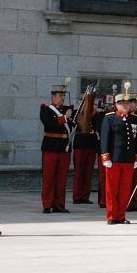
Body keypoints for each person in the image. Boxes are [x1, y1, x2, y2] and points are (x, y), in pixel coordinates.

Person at [100, 83, 137, 224]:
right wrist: (105, 156)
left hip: (128, 159)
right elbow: (105, 138)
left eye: (127, 104)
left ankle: (121, 215)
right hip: (115, 159)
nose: (125, 106)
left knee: (125, 189)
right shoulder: (110, 118)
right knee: (112, 189)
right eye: (122, 104)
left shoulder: (135, 119)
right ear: (116, 105)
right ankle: (112, 215)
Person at [40, 81, 73, 214]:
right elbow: (49, 124)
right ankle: (47, 204)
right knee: (49, 177)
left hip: (64, 148)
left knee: (61, 178)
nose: (62, 98)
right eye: (60, 95)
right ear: (53, 97)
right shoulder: (46, 110)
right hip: (51, 147)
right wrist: (65, 118)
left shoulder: (67, 110)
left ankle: (59, 204)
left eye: (63, 96)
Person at [71, 85, 99, 205]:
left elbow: (97, 126)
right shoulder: (76, 113)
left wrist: (95, 113)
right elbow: (75, 125)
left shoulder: (95, 114)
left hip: (91, 144)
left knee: (88, 172)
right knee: (79, 171)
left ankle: (85, 196)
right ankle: (77, 196)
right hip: (80, 144)